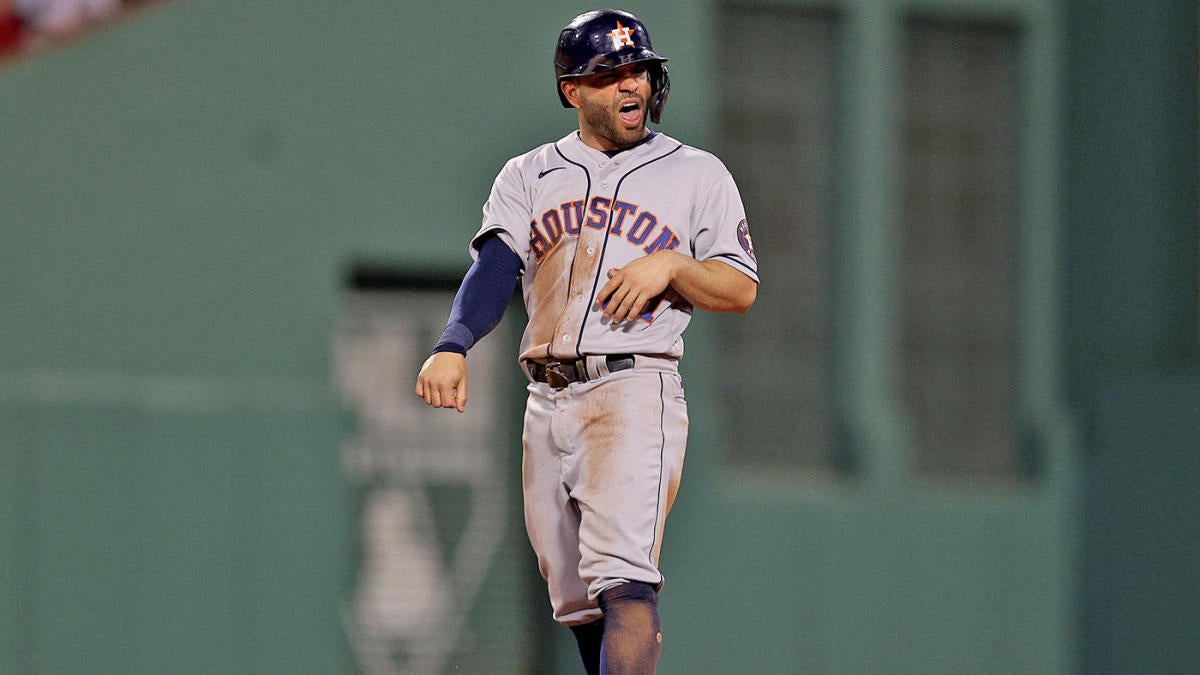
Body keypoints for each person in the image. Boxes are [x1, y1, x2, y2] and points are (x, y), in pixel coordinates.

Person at [415, 8, 758, 674]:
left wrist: (675, 265)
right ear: (572, 90)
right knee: (576, 598)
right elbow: (495, 267)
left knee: (625, 578)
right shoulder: (528, 174)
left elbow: (740, 287)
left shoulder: (697, 174)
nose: (632, 86)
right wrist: (455, 342)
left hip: (633, 385)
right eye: (611, 75)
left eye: (640, 71)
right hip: (546, 397)